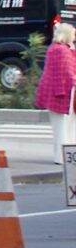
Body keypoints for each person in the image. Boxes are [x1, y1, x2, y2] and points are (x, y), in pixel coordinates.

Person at [35, 15, 74, 162]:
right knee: (63, 128)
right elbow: (67, 73)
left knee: (61, 127)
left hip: (57, 93)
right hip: (61, 94)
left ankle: (64, 156)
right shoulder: (62, 51)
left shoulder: (57, 48)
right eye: (73, 33)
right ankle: (62, 157)